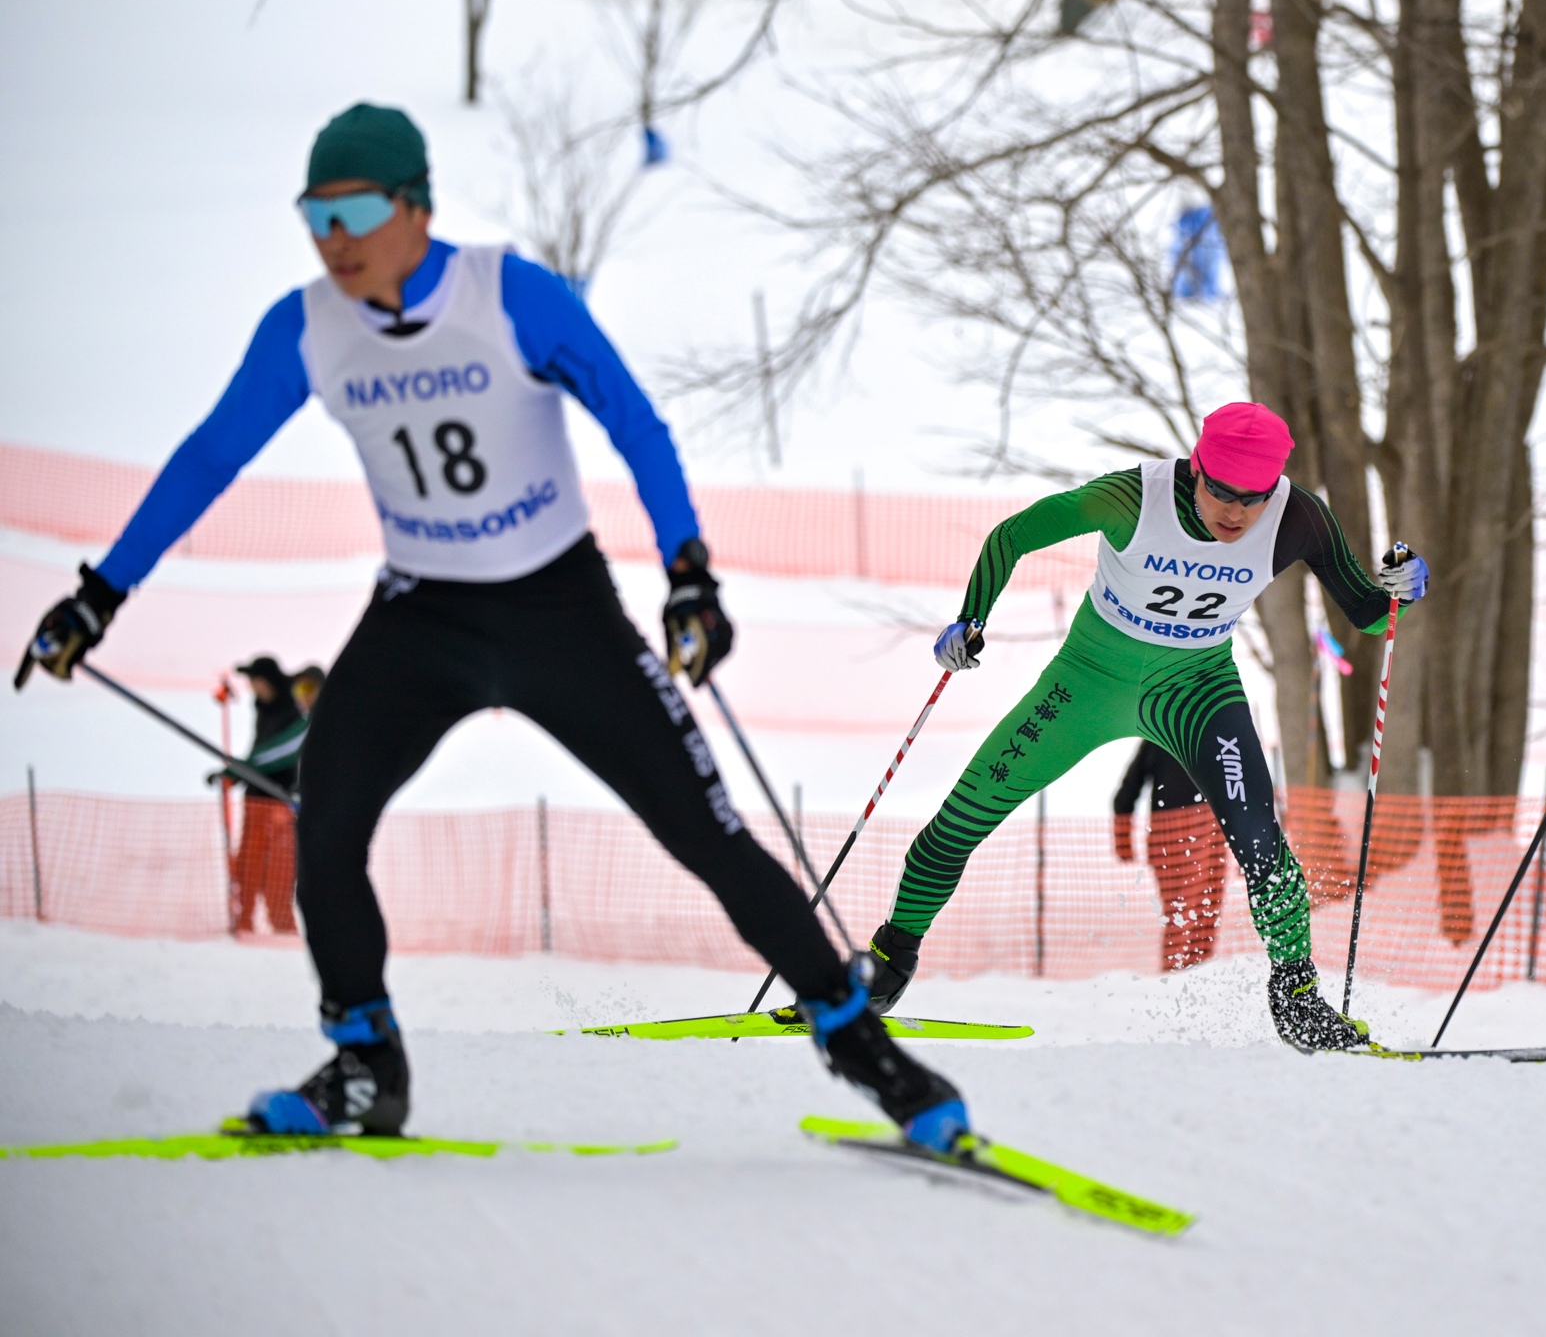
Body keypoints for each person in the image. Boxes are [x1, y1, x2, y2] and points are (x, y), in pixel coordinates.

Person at [13, 103, 966, 1149]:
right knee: (324, 825)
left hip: (559, 608)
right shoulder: (307, 328)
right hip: (421, 615)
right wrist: (101, 592)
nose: (334, 241)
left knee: (705, 832)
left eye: (356, 213)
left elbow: (634, 420)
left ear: (416, 208)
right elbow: (211, 456)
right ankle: (366, 1063)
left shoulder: (510, 296)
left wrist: (689, 573)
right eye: (315, 218)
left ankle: (865, 1047)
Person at [860, 401, 1429, 1051]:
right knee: (960, 820)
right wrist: (971, 618)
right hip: (1086, 683)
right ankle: (887, 966)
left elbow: (1369, 614)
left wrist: (1404, 589)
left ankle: (1297, 999)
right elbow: (1013, 535)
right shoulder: (1133, 497)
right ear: (1197, 470)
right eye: (1222, 492)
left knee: (1261, 843)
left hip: (1196, 691)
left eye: (1253, 497)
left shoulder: (1298, 518)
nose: (1236, 512)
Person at [1112, 739, 1228, 972]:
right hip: (1195, 837)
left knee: (1188, 912)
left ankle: (1189, 973)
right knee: (1198, 912)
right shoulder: (1215, 735)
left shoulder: (1158, 737)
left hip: (1179, 838)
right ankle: (1179, 975)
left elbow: (1126, 791)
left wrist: (1122, 837)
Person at [221, 655, 305, 935]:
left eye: (257, 680)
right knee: (248, 863)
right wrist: (240, 771)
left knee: (278, 871)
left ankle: (282, 928)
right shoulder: (263, 710)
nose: (254, 686)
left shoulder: (292, 713)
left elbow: (277, 753)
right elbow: (259, 753)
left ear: (271, 681)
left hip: (280, 801)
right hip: (256, 800)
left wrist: (239, 770)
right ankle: (243, 921)